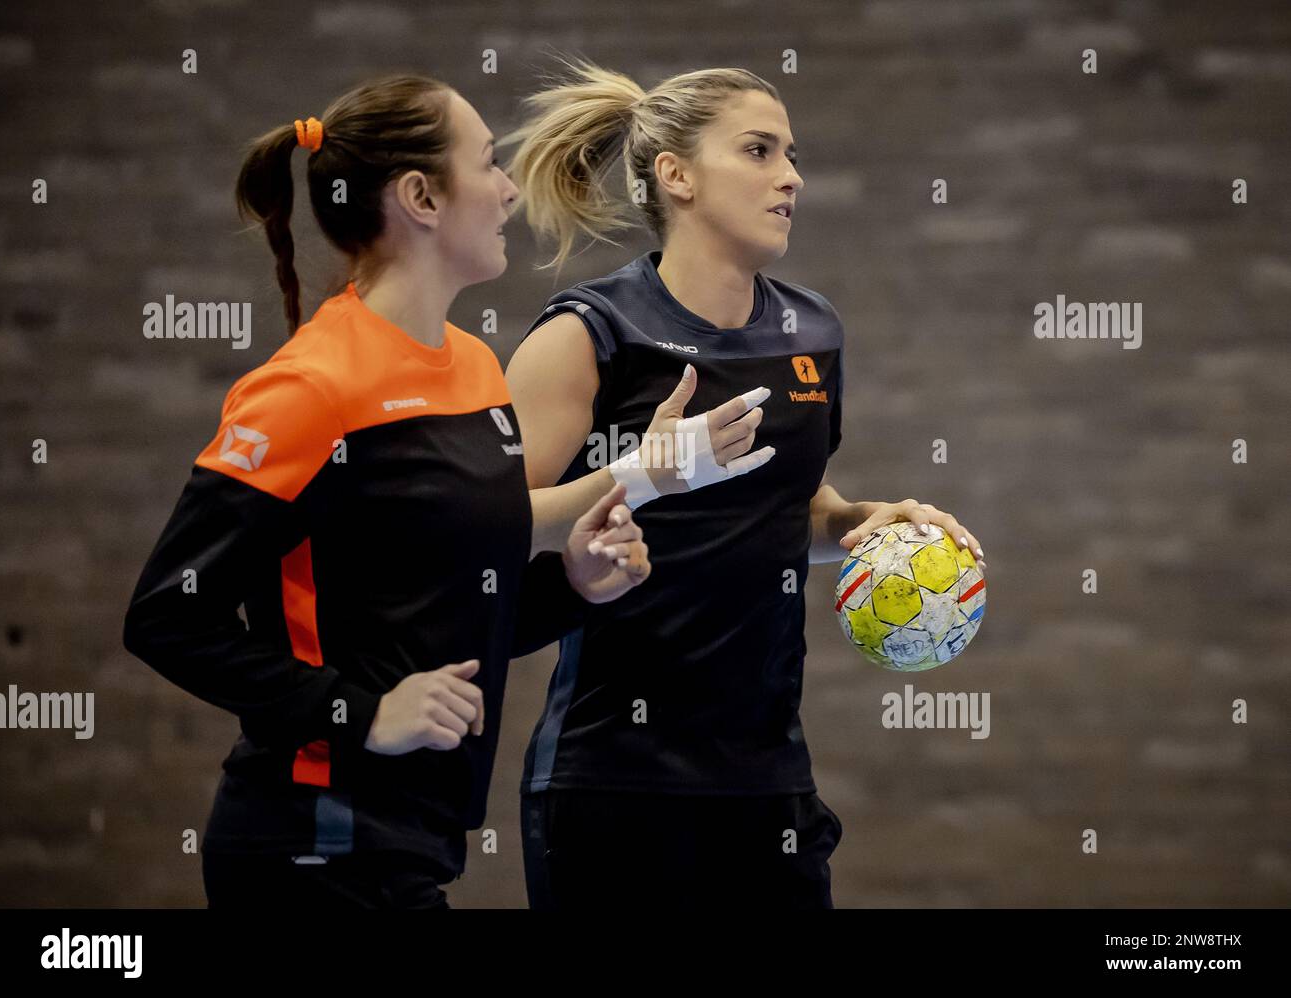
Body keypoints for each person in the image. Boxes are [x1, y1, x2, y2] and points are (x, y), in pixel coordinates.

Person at [122, 74, 659, 910]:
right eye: (487, 163)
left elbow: (445, 616)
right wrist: (359, 714)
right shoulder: (310, 387)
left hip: (413, 844)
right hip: (311, 844)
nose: (510, 188)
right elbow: (167, 616)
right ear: (421, 197)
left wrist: (574, 589)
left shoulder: (476, 370)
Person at [502, 59, 989, 909]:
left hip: (766, 779)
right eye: (760, 151)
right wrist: (640, 474)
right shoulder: (589, 334)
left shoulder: (812, 330)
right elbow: (490, 526)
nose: (791, 177)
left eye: (792, 155)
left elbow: (778, 511)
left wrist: (855, 525)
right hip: (615, 778)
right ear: (676, 174)